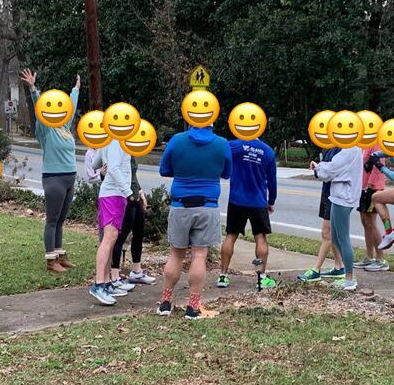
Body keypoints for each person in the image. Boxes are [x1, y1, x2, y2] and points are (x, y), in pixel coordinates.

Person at [157, 120, 232, 319]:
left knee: (175, 255)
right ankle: (193, 307)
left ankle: (165, 303)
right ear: (213, 119)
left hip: (180, 204)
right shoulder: (222, 143)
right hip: (207, 205)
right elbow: (227, 173)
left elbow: (164, 169)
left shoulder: (176, 140)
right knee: (199, 255)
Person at [21, 68, 79, 273]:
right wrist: (33, 88)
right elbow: (40, 107)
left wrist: (76, 90)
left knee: (61, 219)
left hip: (69, 177)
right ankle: (50, 260)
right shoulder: (46, 129)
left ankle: (60, 255)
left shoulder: (64, 126)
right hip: (54, 178)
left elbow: (70, 108)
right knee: (52, 220)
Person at [218, 133, 279, 288]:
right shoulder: (267, 151)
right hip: (258, 201)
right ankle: (262, 277)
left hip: (236, 199)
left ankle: (223, 276)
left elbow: (219, 150)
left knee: (231, 235)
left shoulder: (235, 146)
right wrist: (271, 201)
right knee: (260, 237)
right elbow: (272, 181)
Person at [84, 140, 134, 305]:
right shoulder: (115, 141)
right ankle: (99, 285)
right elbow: (113, 168)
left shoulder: (110, 141)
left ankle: (107, 283)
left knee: (111, 239)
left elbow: (95, 162)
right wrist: (128, 192)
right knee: (108, 239)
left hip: (114, 195)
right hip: (113, 194)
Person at [312, 144, 363, 292]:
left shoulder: (350, 150)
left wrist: (318, 168)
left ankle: (349, 278)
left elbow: (331, 169)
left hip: (344, 197)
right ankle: (347, 275)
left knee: (343, 238)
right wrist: (321, 167)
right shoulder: (350, 149)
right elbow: (333, 166)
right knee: (335, 238)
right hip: (338, 196)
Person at [298, 146, 345, 282]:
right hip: (327, 193)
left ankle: (316, 269)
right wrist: (318, 167)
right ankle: (339, 267)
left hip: (335, 195)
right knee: (332, 234)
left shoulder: (342, 149)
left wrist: (319, 169)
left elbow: (332, 171)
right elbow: (326, 169)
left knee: (327, 233)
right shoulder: (329, 148)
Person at [113, 156, 156, 287]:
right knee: (120, 237)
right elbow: (112, 173)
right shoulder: (116, 150)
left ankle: (136, 271)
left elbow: (133, 175)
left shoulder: (130, 152)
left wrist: (140, 191)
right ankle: (114, 276)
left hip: (134, 195)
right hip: (124, 197)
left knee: (139, 233)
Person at [358, 146, 390, 272]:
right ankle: (369, 256)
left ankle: (381, 259)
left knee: (371, 222)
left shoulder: (376, 142)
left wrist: (372, 186)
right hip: (363, 186)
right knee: (365, 221)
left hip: (373, 187)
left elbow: (378, 166)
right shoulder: (365, 142)